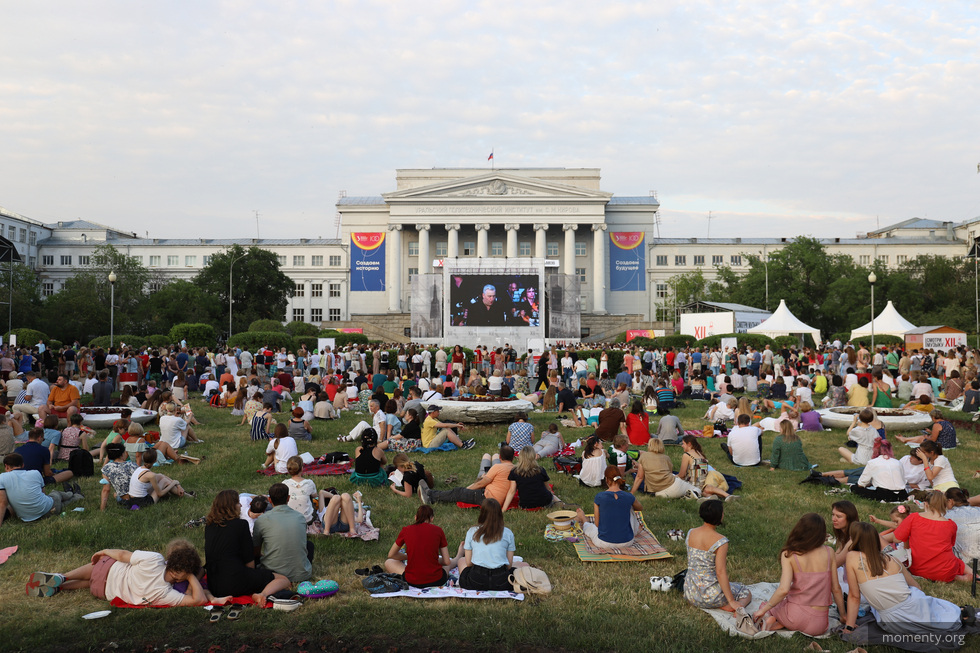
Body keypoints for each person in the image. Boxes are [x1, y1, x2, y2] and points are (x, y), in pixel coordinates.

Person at [841, 522, 965, 640]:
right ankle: (959, 612)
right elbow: (916, 587)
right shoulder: (893, 560)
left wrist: (849, 627)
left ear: (854, 539)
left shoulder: (852, 556)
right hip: (914, 607)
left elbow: (854, 596)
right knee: (944, 609)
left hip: (892, 620)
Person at [26, 540, 213, 605]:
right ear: (183, 573)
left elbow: (124, 555)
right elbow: (199, 600)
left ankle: (62, 577)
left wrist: (105, 551)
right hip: (103, 592)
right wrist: (189, 576)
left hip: (108, 569)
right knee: (92, 582)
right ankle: (60, 588)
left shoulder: (154, 559)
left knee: (97, 570)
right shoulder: (165, 593)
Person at [753, 513, 845, 635]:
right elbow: (836, 588)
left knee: (769, 606)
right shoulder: (829, 552)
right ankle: (780, 623)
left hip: (795, 615)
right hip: (819, 625)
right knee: (783, 606)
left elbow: (783, 589)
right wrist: (843, 615)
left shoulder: (789, 554)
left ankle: (772, 619)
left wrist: (765, 609)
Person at [205, 490, 291, 605]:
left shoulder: (209, 526)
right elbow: (249, 563)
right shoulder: (241, 525)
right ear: (231, 507)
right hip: (234, 581)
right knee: (283, 580)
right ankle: (262, 595)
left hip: (214, 584)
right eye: (237, 503)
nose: (240, 505)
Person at [684, 500, 752, 611]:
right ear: (719, 516)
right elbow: (720, 572)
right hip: (710, 595)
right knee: (744, 591)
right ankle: (735, 607)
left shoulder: (691, 532)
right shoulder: (721, 541)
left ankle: (719, 604)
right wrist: (731, 600)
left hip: (690, 592)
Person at [894, 490, 972, 583]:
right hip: (946, 572)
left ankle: (961, 577)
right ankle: (972, 576)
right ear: (945, 506)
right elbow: (950, 545)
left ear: (926, 504)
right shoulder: (951, 525)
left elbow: (896, 539)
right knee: (958, 562)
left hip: (919, 570)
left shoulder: (913, 517)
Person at [454, 498, 529, 591]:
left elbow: (469, 563)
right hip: (502, 582)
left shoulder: (472, 531)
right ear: (499, 514)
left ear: (482, 513)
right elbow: (509, 566)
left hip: (476, 581)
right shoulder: (508, 533)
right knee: (524, 565)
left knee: (461, 560)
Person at [252, 482, 313, 583]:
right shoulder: (300, 517)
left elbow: (255, 551)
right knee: (309, 545)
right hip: (301, 575)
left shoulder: (262, 520)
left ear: (270, 500)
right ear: (288, 498)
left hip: (272, 574)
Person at [419, 446, 516, 508]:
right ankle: (430, 493)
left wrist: (466, 490)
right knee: (460, 491)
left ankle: (430, 496)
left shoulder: (498, 467)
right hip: (492, 497)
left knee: (457, 492)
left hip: (487, 498)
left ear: (500, 458)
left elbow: (481, 483)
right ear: (513, 457)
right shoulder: (515, 469)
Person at [0, 452, 81, 526]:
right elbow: (43, 494)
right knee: (55, 493)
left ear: (6, 466)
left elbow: (3, 503)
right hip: (48, 509)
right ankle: (71, 494)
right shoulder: (35, 472)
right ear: (23, 465)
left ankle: (73, 495)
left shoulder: (2, 477)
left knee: (59, 504)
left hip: (27, 518)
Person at [572, 466, 643, 549]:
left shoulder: (599, 497)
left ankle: (583, 519)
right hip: (627, 542)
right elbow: (640, 508)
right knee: (630, 506)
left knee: (591, 528)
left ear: (606, 480)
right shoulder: (629, 496)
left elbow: (597, 524)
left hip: (604, 542)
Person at [383, 505, 451, 588]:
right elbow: (446, 561)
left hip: (412, 581)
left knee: (389, 562)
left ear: (415, 517)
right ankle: (458, 557)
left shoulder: (406, 530)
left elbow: (391, 555)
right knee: (448, 564)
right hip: (437, 580)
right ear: (432, 518)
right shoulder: (438, 530)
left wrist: (409, 557)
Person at [635, 437, 699, 498]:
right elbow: (670, 473)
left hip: (655, 490)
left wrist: (631, 493)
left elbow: (639, 477)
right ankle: (695, 494)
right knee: (696, 489)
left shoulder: (643, 456)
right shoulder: (666, 458)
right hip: (673, 486)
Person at [679, 436, 736, 500]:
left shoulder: (687, 455)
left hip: (693, 485)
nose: (682, 446)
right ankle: (714, 498)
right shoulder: (700, 454)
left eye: (683, 443)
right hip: (702, 485)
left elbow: (682, 475)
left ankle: (722, 497)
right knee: (706, 493)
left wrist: (674, 477)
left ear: (689, 444)